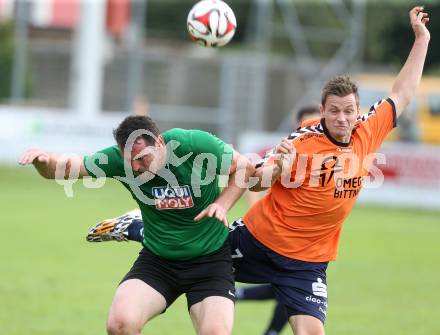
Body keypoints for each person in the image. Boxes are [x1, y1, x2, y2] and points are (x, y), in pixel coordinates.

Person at [87, 6, 430, 335]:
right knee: (191, 246)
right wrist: (279, 167)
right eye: (335, 111)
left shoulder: (368, 131)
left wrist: (421, 39)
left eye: (349, 111)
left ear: (358, 112)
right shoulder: (302, 140)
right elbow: (256, 176)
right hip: (256, 242)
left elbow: (402, 92)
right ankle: (137, 226)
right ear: (322, 111)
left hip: (308, 262)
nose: (343, 118)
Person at [19, 116, 255, 335]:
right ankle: (136, 224)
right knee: (119, 324)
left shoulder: (194, 144)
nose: (136, 168)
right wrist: (44, 161)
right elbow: (66, 167)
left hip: (209, 260)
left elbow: (244, 167)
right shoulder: (121, 162)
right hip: (159, 260)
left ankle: (133, 224)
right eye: (129, 161)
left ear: (160, 143)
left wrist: (222, 205)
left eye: (143, 159)